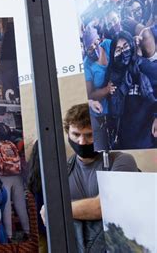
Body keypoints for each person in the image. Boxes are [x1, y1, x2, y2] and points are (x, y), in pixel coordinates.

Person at [41, 103, 139, 253]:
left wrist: (55, 210)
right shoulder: (64, 170)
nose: (81, 142)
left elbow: (102, 207)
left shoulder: (121, 161)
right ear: (67, 133)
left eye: (89, 135)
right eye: (76, 134)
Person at [107, 31, 157, 149]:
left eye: (126, 46)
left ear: (132, 45)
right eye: (118, 49)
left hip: (147, 140)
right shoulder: (112, 76)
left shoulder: (145, 66)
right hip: (123, 143)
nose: (123, 52)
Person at [0, 123, 30, 242]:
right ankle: (27, 232)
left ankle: (9, 236)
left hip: (4, 177)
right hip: (17, 176)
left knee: (7, 208)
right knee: (21, 205)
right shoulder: (12, 144)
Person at [82, 25, 115, 150]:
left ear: (100, 39)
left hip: (116, 106)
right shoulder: (87, 65)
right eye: (90, 48)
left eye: (96, 43)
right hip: (100, 113)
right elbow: (89, 95)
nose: (95, 48)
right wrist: (107, 89)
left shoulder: (107, 44)